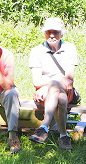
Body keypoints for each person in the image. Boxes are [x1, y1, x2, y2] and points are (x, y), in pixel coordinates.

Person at [28, 17, 80, 150]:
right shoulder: (36, 51)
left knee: (57, 89)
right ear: (44, 33)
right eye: (48, 32)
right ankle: (63, 136)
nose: (52, 35)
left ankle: (44, 127)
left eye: (55, 32)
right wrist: (56, 80)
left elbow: (68, 79)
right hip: (47, 93)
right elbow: (36, 81)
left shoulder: (70, 48)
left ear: (61, 33)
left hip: (63, 90)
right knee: (60, 98)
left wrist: (49, 84)